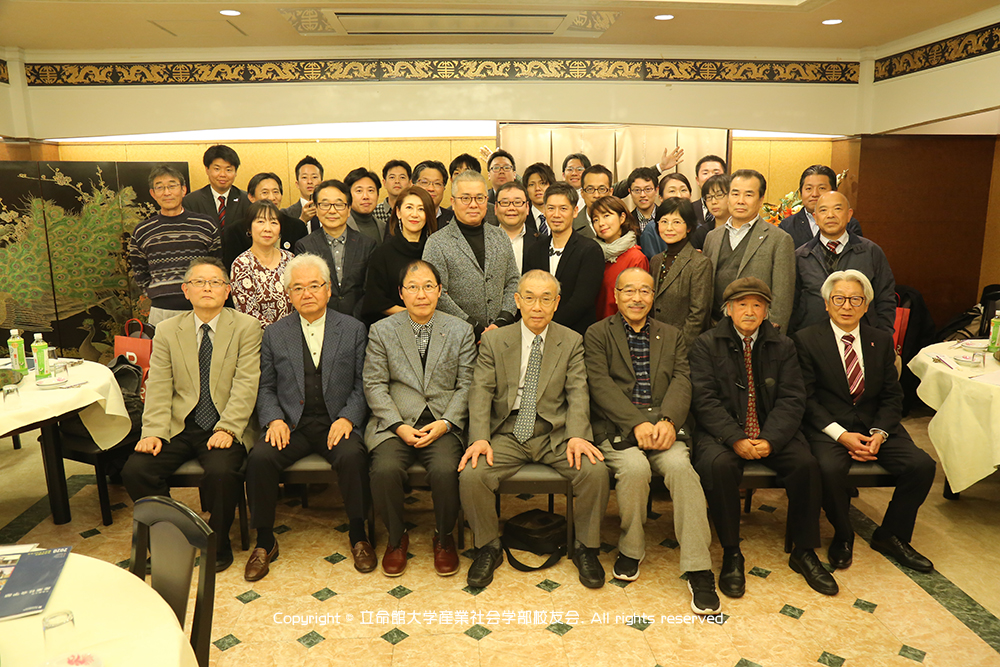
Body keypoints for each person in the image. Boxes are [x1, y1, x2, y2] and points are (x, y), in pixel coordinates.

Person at [459, 270, 610, 589]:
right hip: (507, 430)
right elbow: (481, 390)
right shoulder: (494, 340)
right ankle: (488, 546)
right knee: (472, 474)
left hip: (555, 432)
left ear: (556, 303)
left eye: (545, 299)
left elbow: (578, 391)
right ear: (517, 301)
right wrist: (480, 438)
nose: (537, 306)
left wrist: (577, 435)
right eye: (529, 298)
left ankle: (586, 547)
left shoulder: (571, 340)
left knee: (595, 471)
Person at [688, 277, 837, 598]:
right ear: (728, 309)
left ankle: (804, 550)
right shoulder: (705, 344)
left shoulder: (783, 345)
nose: (750, 311)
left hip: (773, 431)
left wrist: (770, 439)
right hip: (723, 432)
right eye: (742, 304)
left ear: (767, 311)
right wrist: (734, 437)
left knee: (806, 464)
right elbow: (704, 399)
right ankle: (731, 553)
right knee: (718, 466)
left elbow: (793, 398)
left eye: (757, 305)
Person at [584, 267, 720, 614]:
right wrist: (635, 423)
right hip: (617, 427)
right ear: (616, 296)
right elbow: (599, 384)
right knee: (634, 469)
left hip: (664, 427)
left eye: (644, 291)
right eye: (629, 291)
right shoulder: (597, 333)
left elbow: (682, 379)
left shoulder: (672, 335)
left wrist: (669, 420)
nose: (637, 298)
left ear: (653, 296)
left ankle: (698, 567)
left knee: (682, 470)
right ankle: (631, 548)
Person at [122, 257, 261, 573]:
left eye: (215, 282)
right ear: (186, 290)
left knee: (222, 472)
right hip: (179, 426)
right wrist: (153, 432)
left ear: (227, 291)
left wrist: (228, 428)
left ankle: (217, 543)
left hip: (225, 423)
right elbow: (159, 385)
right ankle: (169, 540)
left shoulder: (246, 327)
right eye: (199, 282)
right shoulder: (168, 330)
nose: (207, 288)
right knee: (136, 470)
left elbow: (246, 383)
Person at [793, 270, 935, 573]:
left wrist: (880, 433)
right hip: (829, 427)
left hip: (876, 425)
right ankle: (843, 535)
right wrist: (841, 435)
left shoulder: (880, 340)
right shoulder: (805, 340)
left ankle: (891, 535)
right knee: (828, 469)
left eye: (855, 299)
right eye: (839, 299)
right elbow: (806, 399)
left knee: (922, 466)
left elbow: (892, 395)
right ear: (827, 304)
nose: (847, 306)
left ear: (866, 305)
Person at [243, 254, 373, 581]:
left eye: (314, 285)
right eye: (298, 288)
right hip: (292, 425)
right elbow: (266, 386)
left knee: (353, 457)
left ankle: (359, 535)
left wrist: (348, 418)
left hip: (336, 422)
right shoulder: (274, 333)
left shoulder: (353, 329)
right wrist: (274, 419)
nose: (307, 293)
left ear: (328, 289)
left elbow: (363, 383)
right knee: (259, 458)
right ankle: (264, 541)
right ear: (289, 294)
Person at [365, 260, 477, 577]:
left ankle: (443, 537)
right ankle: (396, 537)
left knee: (445, 470)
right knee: (384, 470)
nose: (421, 294)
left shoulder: (460, 330)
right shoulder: (382, 330)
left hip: (442, 422)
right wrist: (398, 425)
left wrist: (446, 423)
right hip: (396, 422)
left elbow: (467, 384)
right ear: (401, 293)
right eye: (413, 287)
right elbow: (374, 384)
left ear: (440, 291)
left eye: (428, 286)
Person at [422, 170, 519, 341]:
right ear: (453, 202)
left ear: (487, 200)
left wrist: (502, 320)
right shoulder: (437, 243)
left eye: (479, 198)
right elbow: (437, 293)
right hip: (455, 337)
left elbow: (513, 281)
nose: (473, 204)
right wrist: (473, 327)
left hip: (501, 335)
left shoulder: (500, 236)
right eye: (465, 198)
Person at [702, 169, 796, 331]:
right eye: (735, 194)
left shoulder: (779, 239)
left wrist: (772, 336)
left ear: (761, 200)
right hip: (715, 329)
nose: (740, 201)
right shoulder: (712, 237)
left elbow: (782, 297)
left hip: (758, 330)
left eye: (748, 195)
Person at [791, 191, 895, 333]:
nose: (830, 215)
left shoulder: (871, 252)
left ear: (849, 215)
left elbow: (885, 298)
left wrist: (883, 336)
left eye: (837, 209)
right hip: (811, 337)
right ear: (815, 218)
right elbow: (792, 303)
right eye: (823, 210)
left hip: (862, 336)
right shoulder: (801, 256)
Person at [130, 165, 220, 325]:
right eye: (160, 187)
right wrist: (155, 291)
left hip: (201, 307)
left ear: (183, 190)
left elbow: (217, 264)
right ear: (153, 193)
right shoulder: (142, 231)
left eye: (172, 186)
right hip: (161, 310)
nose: (167, 192)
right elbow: (139, 271)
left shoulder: (205, 225)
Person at [524, 182, 605, 335]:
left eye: (563, 208)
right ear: (544, 211)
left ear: (575, 211)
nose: (556, 215)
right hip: (538, 332)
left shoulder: (590, 250)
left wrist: (548, 325)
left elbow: (582, 301)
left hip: (576, 334)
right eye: (551, 208)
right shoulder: (535, 250)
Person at [293, 179, 377, 321]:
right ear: (316, 209)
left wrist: (352, 322)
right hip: (319, 321)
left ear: (349, 209)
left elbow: (370, 290)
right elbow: (306, 290)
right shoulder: (305, 246)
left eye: (339, 205)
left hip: (360, 322)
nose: (332, 211)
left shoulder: (367, 244)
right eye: (325, 205)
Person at [362, 186, 438, 324]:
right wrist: (414, 315)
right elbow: (375, 301)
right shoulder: (382, 254)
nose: (415, 214)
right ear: (398, 212)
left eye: (421, 209)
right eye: (409, 207)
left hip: (434, 324)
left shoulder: (436, 251)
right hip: (393, 325)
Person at [648, 198, 714, 351]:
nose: (669, 228)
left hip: (683, 347)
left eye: (676, 222)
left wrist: (678, 347)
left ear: (689, 227)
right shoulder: (656, 261)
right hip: (655, 342)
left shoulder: (699, 263)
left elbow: (698, 314)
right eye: (664, 221)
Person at [222, 172, 308, 268]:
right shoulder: (235, 231)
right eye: (265, 192)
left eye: (276, 192)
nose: (272, 198)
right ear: (251, 197)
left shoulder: (297, 227)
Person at [230, 200, 294, 327]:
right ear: (249, 228)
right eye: (260, 222)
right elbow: (247, 312)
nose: (267, 229)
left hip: (294, 331)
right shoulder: (241, 264)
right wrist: (277, 334)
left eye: (274, 222)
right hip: (257, 335)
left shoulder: (290, 260)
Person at [590, 195, 648, 320]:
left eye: (606, 216)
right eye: (595, 219)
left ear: (622, 218)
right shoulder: (592, 254)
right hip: (595, 326)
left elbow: (637, 302)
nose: (601, 223)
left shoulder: (635, 258)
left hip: (621, 325)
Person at [779, 165, 863, 249]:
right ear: (801, 192)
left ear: (834, 191)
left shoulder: (849, 224)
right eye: (809, 188)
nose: (815, 194)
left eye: (822, 188)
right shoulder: (787, 226)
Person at [182, 144, 249, 233]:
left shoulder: (247, 200)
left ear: (235, 172)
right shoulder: (191, 201)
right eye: (217, 169)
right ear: (207, 170)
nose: (222, 174)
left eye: (228, 170)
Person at [493, 181, 535, 272]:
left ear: (527, 208)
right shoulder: (485, 240)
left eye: (517, 202)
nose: (511, 208)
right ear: (496, 208)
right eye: (505, 202)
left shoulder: (541, 242)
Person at [344, 167, 386, 244]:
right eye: (359, 191)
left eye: (370, 190)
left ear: (377, 195)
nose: (365, 196)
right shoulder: (340, 226)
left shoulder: (384, 227)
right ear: (348, 196)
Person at [282, 156, 323, 232]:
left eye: (314, 177)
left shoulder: (330, 210)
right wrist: (302, 220)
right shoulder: (286, 214)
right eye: (304, 177)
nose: (309, 181)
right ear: (297, 184)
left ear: (322, 183)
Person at [689, 174, 729, 251]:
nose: (713, 202)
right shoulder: (702, 233)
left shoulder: (743, 229)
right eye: (709, 197)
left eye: (719, 195)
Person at [690, 154, 727, 232]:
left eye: (716, 173)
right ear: (697, 180)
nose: (711, 177)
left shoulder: (735, 211)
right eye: (705, 173)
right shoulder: (689, 209)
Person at [574, 164, 612, 239]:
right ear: (582, 193)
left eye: (602, 189)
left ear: (610, 192)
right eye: (590, 189)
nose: (596, 195)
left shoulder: (622, 223)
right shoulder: (571, 226)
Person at [412, 160, 453, 227]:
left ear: (444, 188)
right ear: (413, 186)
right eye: (424, 182)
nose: (431, 189)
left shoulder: (454, 220)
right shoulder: (403, 218)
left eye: (437, 183)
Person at [374, 159, 412, 228]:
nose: (397, 181)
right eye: (392, 177)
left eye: (402, 177)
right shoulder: (374, 212)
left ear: (410, 183)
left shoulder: (415, 211)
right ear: (384, 183)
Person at [522, 162, 556, 236]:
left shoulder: (560, 215)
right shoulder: (522, 218)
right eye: (532, 184)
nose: (537, 188)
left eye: (542, 183)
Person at [626, 167, 660, 232]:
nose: (642, 195)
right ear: (630, 192)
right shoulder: (626, 222)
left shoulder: (666, 217)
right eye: (637, 190)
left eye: (648, 189)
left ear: (656, 190)